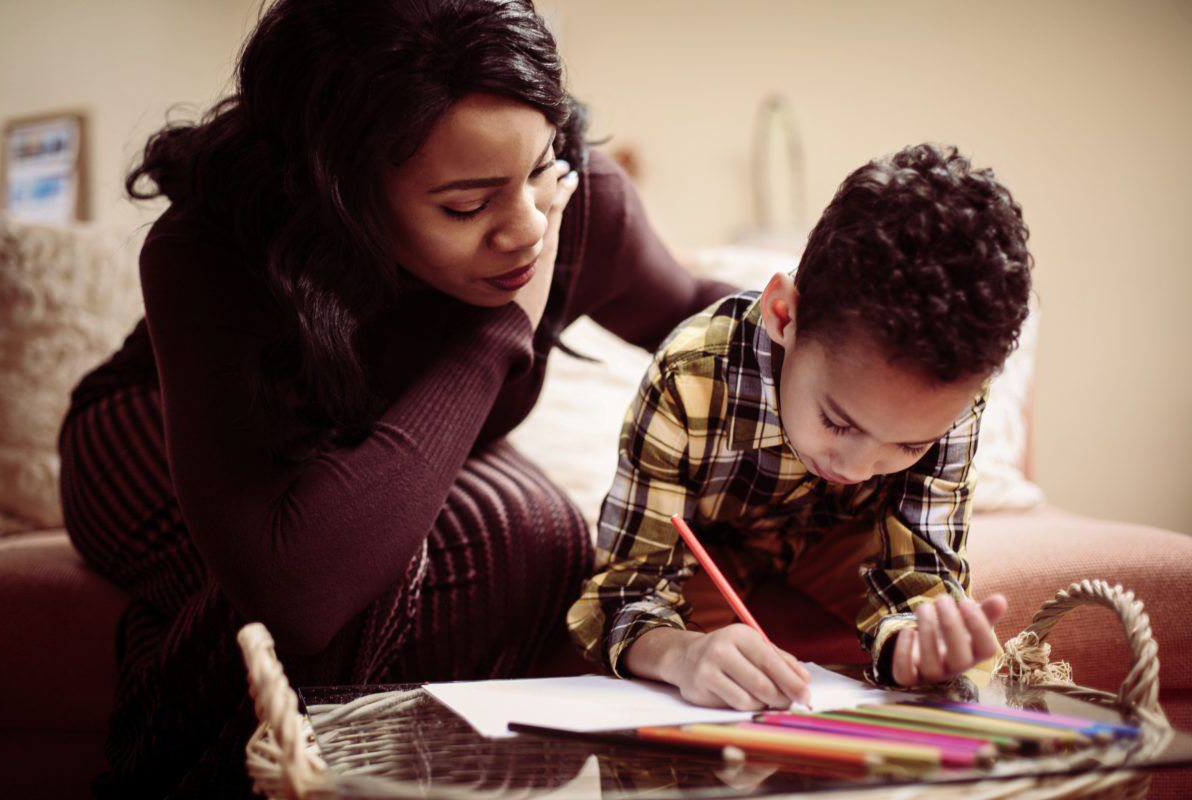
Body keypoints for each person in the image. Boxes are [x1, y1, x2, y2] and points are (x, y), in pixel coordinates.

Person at [57, 0, 734, 795]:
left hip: (379, 453)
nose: (525, 230)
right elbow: (300, 593)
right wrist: (498, 334)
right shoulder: (213, 249)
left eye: (539, 167)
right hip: (159, 429)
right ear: (337, 191)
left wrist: (836, 336)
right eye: (466, 205)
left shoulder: (571, 203)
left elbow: (696, 312)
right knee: (347, 576)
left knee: (534, 536)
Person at [568, 143, 1034, 712]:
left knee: (968, 666)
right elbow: (626, 590)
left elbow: (919, 573)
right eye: (838, 422)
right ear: (783, 314)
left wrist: (914, 646)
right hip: (713, 552)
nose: (856, 468)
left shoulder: (953, 395)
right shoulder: (688, 377)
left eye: (910, 445)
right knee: (709, 696)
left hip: (848, 542)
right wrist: (681, 655)